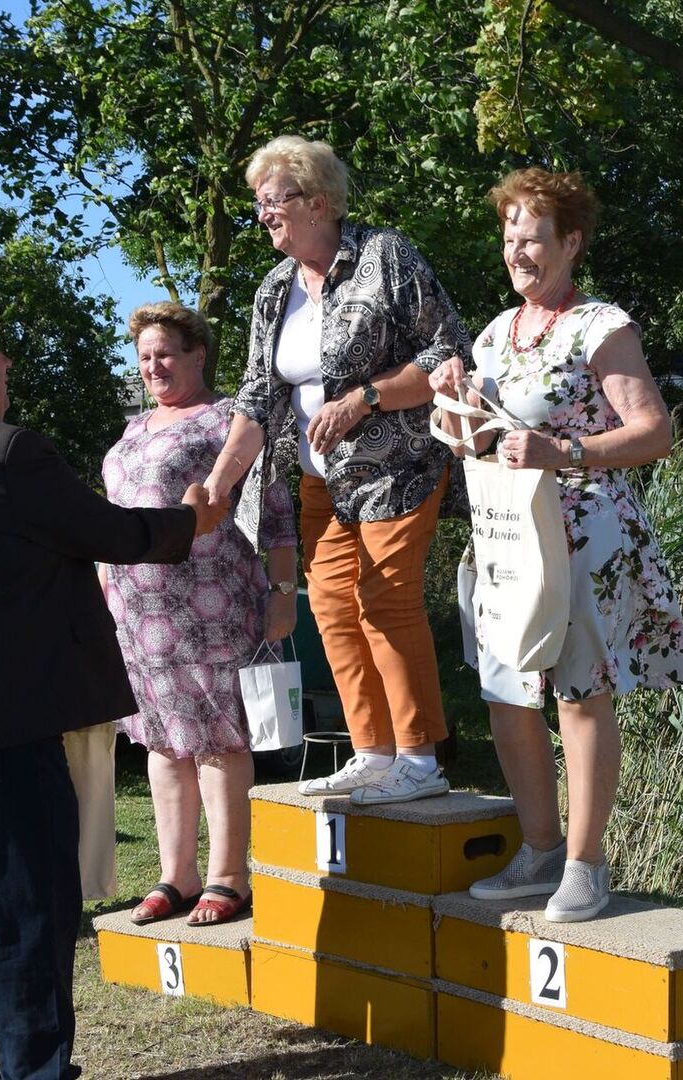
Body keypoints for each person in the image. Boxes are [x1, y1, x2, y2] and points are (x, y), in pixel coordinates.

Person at [0, 306, 227, 1080]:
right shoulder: (6, 451)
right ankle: (36, 1070)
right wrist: (190, 521)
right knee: (28, 913)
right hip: (7, 722)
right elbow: (108, 533)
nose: (7, 366)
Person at [431, 169, 683, 922]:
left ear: (571, 243)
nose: (517, 251)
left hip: (585, 530)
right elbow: (480, 442)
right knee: (506, 693)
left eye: (532, 238)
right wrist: (454, 410)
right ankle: (540, 850)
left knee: (581, 693)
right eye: (509, 237)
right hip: (509, 531)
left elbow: (654, 433)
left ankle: (585, 865)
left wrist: (564, 452)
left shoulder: (600, 326)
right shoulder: (493, 334)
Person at [203, 134, 470, 805]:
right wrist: (220, 481)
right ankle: (373, 753)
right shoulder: (273, 290)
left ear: (318, 202)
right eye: (258, 204)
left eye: (274, 200)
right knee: (330, 609)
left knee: (386, 601)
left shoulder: (386, 256)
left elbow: (449, 352)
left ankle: (421, 759)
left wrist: (365, 398)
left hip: (400, 467)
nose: (263, 214)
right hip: (322, 481)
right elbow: (257, 396)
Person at [103, 301, 298, 927]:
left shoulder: (228, 421)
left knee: (218, 739)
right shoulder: (134, 428)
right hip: (139, 615)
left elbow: (276, 513)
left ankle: (228, 877)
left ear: (198, 354)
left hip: (213, 605)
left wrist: (283, 592)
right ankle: (176, 875)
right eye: (144, 356)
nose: (153, 366)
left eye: (165, 353)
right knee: (162, 741)